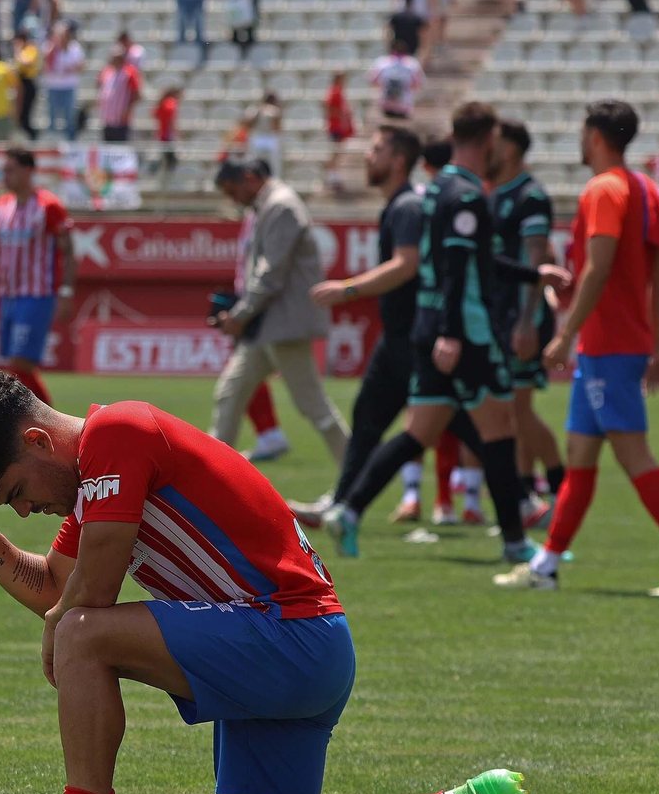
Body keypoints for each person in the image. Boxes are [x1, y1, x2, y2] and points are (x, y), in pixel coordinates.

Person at [0, 372, 546, 794]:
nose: (23, 509)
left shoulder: (117, 432)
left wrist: (60, 630)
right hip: (301, 646)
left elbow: (82, 604)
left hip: (287, 636)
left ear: (39, 440)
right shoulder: (97, 478)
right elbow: (54, 590)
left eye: (15, 492)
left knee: (81, 632)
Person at [321, 103, 569, 562]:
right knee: (498, 430)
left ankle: (348, 510)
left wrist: (533, 276)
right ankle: (516, 542)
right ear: (490, 140)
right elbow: (458, 271)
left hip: (430, 327)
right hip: (465, 331)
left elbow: (475, 261)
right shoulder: (467, 196)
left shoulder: (437, 190)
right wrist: (454, 333)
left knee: (420, 431)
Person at [497, 100, 659, 597]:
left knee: (633, 454)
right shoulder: (646, 189)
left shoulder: (603, 189)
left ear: (595, 136)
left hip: (606, 345)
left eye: (582, 132)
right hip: (620, 344)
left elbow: (598, 266)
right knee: (580, 456)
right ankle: (547, 565)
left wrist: (565, 332)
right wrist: (656, 345)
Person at [289, 125, 491, 530]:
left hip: (415, 338)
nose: (368, 156)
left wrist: (348, 288)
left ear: (399, 160)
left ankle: (523, 495)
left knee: (464, 424)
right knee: (370, 419)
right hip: (400, 339)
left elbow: (407, 263)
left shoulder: (407, 208)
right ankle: (341, 503)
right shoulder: (399, 205)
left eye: (377, 149)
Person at [209, 158, 349, 466]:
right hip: (267, 326)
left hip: (284, 326)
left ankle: (356, 477)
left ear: (249, 178)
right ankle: (211, 476)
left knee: (314, 407)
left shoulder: (281, 206)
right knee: (230, 395)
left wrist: (240, 315)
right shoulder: (268, 206)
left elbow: (270, 274)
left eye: (233, 191)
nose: (233, 200)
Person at [487, 119, 564, 516]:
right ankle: (526, 499)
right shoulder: (499, 194)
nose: (489, 148)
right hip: (504, 317)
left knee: (518, 411)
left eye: (495, 142)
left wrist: (527, 322)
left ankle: (560, 491)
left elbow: (538, 262)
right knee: (510, 413)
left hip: (523, 319)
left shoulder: (531, 196)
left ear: (512, 149)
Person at [0, 148, 75, 405]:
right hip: (7, 294)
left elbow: (69, 250)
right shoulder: (1, 206)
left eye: (11, 169)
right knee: (18, 368)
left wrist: (65, 292)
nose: (5, 175)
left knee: (19, 365)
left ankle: (52, 421)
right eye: (3, 170)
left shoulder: (48, 206)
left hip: (36, 294)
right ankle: (49, 423)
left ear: (29, 171)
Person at [41, 21, 84, 141]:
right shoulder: (49, 47)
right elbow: (46, 63)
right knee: (52, 116)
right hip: (53, 86)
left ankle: (71, 142)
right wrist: (54, 47)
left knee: (69, 117)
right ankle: (52, 141)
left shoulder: (75, 48)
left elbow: (81, 66)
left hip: (69, 86)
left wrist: (70, 68)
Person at [368, 38, 424, 122]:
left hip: (385, 104)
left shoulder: (382, 62)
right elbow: (418, 83)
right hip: (404, 104)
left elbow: (372, 80)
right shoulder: (412, 64)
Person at [96, 43, 140, 143]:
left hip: (121, 119)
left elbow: (136, 94)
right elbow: (100, 87)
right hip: (107, 117)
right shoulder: (107, 71)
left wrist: (127, 109)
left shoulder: (129, 72)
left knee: (120, 147)